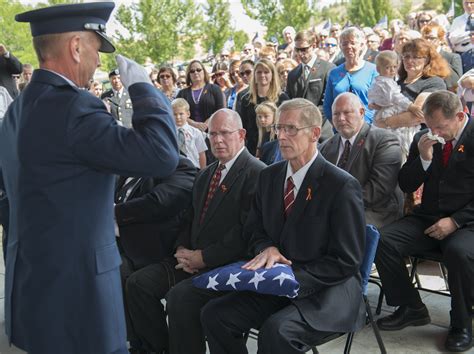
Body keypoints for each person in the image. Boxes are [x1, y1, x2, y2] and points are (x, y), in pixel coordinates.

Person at [0, 3, 179, 353]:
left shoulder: (17, 110)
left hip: (34, 285)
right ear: (76, 47)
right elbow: (161, 155)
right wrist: (143, 90)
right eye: (96, 48)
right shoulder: (75, 108)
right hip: (80, 291)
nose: (99, 61)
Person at [200, 98, 367, 354]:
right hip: (275, 283)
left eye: (291, 129)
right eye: (279, 128)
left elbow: (347, 260)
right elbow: (255, 230)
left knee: (277, 331)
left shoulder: (340, 186)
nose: (281, 136)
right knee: (216, 314)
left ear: (313, 133)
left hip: (325, 291)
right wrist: (267, 247)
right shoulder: (270, 176)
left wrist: (291, 278)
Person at [126, 108, 266, 354]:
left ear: (242, 134)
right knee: (138, 283)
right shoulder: (206, 174)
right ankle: (158, 348)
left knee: (181, 299)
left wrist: (204, 257)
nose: (218, 140)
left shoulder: (258, 173)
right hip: (190, 260)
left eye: (224, 133)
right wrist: (182, 249)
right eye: (212, 134)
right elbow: (188, 219)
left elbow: (247, 233)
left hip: (226, 265)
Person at [375, 90, 474, 352]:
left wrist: (454, 221)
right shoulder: (425, 138)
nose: (436, 134)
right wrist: (424, 159)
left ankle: (462, 323)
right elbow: (406, 183)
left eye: (441, 127)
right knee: (381, 240)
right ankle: (411, 306)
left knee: (459, 251)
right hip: (428, 217)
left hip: (467, 222)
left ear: (460, 116)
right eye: (430, 127)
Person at [115, 156, 196, 354]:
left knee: (129, 278)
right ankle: (135, 344)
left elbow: (158, 202)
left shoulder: (181, 166)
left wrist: (113, 213)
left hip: (159, 250)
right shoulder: (129, 166)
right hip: (121, 242)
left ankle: (153, 348)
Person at [320, 92, 403, 228]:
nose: (341, 118)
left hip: (374, 210)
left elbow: (379, 189)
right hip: (335, 209)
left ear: (362, 112)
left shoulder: (384, 140)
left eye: (347, 113)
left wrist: (337, 205)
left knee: (336, 226)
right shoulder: (325, 147)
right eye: (336, 114)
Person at [368, 50, 426, 157]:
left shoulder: (381, 81)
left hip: (386, 110)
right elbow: (396, 97)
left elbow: (374, 98)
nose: (392, 70)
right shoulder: (386, 82)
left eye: (394, 67)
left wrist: (374, 104)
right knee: (399, 135)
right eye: (387, 67)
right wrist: (411, 106)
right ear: (378, 69)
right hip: (390, 111)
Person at [286, 30, 335, 142]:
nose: (300, 53)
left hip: (323, 132)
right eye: (297, 50)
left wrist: (309, 121)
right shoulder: (292, 74)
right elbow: (290, 102)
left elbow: (328, 101)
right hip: (300, 134)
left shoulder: (327, 68)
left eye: (304, 49)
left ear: (313, 46)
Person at [323, 27, 378, 124]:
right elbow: (327, 106)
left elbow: (378, 103)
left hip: (367, 129)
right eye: (344, 43)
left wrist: (364, 124)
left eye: (352, 43)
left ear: (361, 45)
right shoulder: (334, 73)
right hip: (341, 130)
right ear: (340, 47)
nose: (348, 46)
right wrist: (338, 125)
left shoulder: (373, 70)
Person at [237, 58, 289, 155]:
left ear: (272, 75)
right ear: (254, 75)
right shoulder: (246, 99)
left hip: (277, 150)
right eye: (259, 72)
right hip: (252, 149)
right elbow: (243, 126)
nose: (262, 75)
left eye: (266, 72)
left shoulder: (282, 98)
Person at [176, 60, 224, 133]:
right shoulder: (182, 93)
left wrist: (206, 124)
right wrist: (194, 124)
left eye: (198, 70)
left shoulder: (215, 89)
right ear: (189, 75)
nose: (195, 72)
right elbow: (176, 112)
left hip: (213, 131)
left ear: (204, 72)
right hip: (190, 133)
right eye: (192, 71)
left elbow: (220, 110)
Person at [421, 23, 463, 92]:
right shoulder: (419, 58)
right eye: (425, 38)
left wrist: (437, 57)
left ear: (440, 39)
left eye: (432, 38)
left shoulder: (452, 57)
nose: (428, 41)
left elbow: (456, 83)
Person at [172, 98, 207, 169]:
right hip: (174, 169)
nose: (178, 117)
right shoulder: (169, 132)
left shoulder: (196, 133)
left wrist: (203, 171)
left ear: (188, 114)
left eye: (181, 114)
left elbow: (201, 154)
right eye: (175, 114)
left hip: (193, 167)